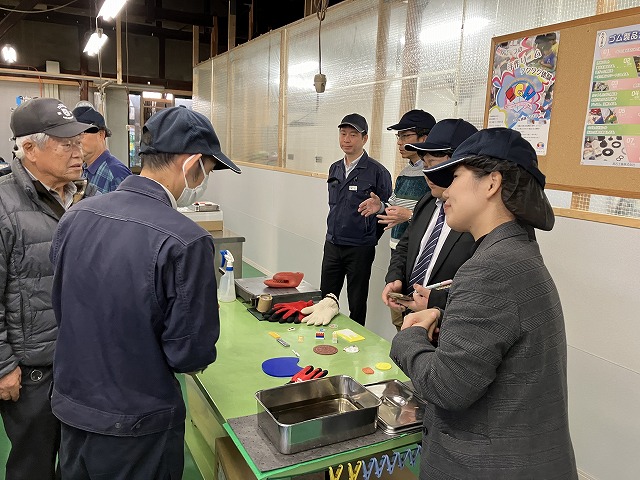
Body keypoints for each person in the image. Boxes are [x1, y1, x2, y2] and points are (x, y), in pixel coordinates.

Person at [49, 106, 241, 479]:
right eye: (207, 170)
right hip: (137, 425)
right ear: (191, 164)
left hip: (72, 409)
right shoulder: (186, 240)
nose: (203, 181)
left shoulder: (75, 216)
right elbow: (189, 354)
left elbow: (62, 303)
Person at [390, 128, 577, 479]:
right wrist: (444, 316)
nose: (446, 191)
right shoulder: (515, 252)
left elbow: (446, 387)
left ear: (491, 183)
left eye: (455, 177)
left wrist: (409, 337)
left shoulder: (490, 268)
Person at [0, 97, 98, 480]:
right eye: (66, 144)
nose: (78, 152)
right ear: (29, 149)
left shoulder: (86, 199)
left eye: (78, 142)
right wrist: (3, 366)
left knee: (77, 464)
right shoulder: (4, 206)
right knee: (33, 466)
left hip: (81, 363)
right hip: (32, 373)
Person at [382, 119, 478, 330]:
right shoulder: (427, 201)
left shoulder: (474, 219)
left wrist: (437, 302)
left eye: (435, 165)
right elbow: (405, 247)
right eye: (425, 165)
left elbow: (478, 291)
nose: (428, 174)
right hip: (408, 312)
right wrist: (395, 278)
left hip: (446, 325)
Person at [358, 109, 435, 328]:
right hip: (399, 253)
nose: (400, 142)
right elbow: (395, 206)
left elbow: (437, 218)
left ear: (424, 138)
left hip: (420, 256)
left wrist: (409, 216)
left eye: (406, 136)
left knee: (417, 320)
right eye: (398, 137)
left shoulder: (433, 175)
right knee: (399, 316)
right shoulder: (405, 172)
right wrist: (381, 206)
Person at [321, 113, 392, 326]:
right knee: (326, 299)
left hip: (360, 248)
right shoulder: (335, 168)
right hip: (333, 244)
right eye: (343, 134)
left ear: (365, 138)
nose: (347, 139)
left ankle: (356, 340)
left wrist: (368, 236)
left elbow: (386, 211)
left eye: (353, 135)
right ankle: (324, 337)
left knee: (357, 302)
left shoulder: (378, 172)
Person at [72, 105, 132, 193]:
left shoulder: (116, 174)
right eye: (73, 135)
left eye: (82, 133)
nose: (76, 140)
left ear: (101, 135)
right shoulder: (82, 170)